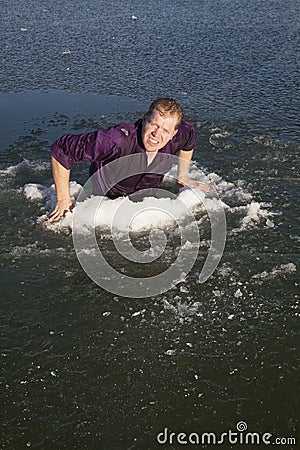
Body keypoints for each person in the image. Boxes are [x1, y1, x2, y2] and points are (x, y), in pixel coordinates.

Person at [48, 98, 209, 222]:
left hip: (145, 201)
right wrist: (63, 201)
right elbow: (62, 149)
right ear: (145, 119)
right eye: (154, 125)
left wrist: (183, 177)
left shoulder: (176, 137)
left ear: (173, 134)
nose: (156, 134)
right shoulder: (116, 141)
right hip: (107, 198)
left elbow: (190, 136)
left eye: (165, 130)